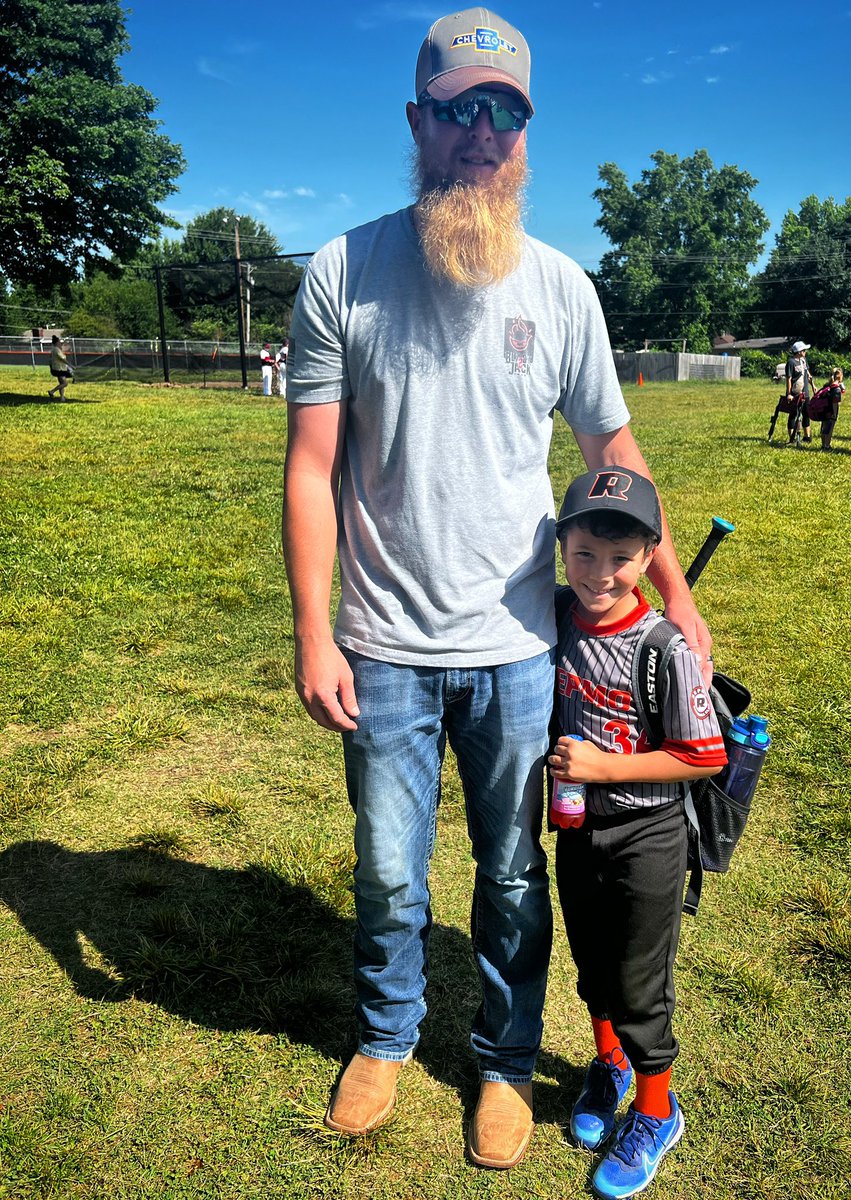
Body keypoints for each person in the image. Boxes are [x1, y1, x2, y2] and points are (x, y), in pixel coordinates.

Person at [281, 6, 712, 1172]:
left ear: (527, 136)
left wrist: (679, 595)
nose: (483, 133)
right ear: (419, 120)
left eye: (505, 113)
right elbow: (312, 468)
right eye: (462, 109)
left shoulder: (564, 288)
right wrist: (316, 632)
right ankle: (383, 1036)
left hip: (524, 646)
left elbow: (613, 457)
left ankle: (507, 1062)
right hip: (382, 641)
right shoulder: (344, 270)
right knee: (384, 866)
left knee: (515, 872)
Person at [548, 466, 726, 1198]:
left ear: (650, 557)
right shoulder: (557, 616)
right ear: (563, 548)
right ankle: (610, 1065)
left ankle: (658, 1109)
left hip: (648, 833)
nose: (599, 574)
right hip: (577, 827)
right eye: (584, 553)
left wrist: (601, 765)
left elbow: (703, 754)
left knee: (639, 981)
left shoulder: (665, 648)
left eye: (620, 559)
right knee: (591, 961)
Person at [785, 341, 813, 443]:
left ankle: (807, 436)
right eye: (804, 350)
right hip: (795, 393)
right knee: (793, 415)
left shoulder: (804, 360)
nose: (805, 352)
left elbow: (808, 375)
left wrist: (813, 386)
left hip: (805, 393)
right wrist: (789, 394)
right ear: (799, 351)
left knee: (806, 414)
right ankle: (791, 438)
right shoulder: (791, 362)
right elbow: (789, 379)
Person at [818, 367, 844, 450]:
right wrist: (835, 414)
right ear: (840, 377)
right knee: (830, 428)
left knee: (823, 427)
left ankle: (823, 444)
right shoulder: (836, 388)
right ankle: (827, 445)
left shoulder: (826, 385)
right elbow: (835, 402)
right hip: (831, 410)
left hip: (823, 408)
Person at [47, 335, 72, 400]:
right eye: (59, 342)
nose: (60, 343)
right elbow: (63, 359)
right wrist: (71, 365)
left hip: (57, 368)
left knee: (61, 383)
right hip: (60, 369)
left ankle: (62, 397)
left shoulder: (54, 350)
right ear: (57, 342)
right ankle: (52, 391)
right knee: (65, 383)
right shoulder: (57, 350)